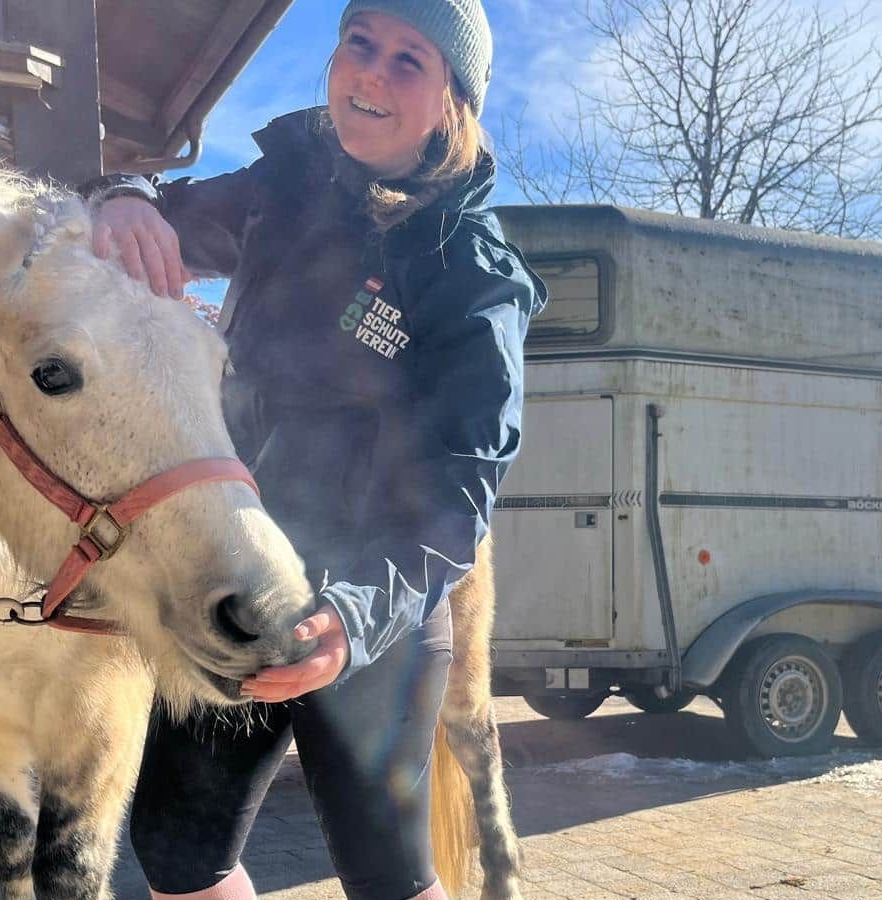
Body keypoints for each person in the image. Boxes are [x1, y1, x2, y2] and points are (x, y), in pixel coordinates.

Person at [82, 2, 544, 898]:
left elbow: (461, 490)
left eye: (410, 60)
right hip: (242, 578)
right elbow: (158, 218)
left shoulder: (474, 274)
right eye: (359, 45)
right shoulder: (282, 186)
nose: (371, 74)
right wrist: (125, 196)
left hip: (375, 614)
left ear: (454, 99)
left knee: (386, 878)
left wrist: (356, 617)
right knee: (177, 850)